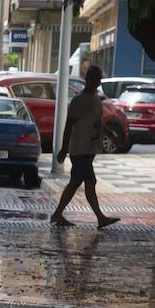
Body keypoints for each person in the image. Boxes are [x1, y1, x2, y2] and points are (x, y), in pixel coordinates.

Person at [50, 66, 120, 228]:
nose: (98, 81)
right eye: (95, 78)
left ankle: (58, 213)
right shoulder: (79, 101)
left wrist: (108, 133)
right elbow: (69, 125)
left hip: (89, 148)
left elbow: (97, 120)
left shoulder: (95, 98)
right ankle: (100, 217)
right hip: (79, 149)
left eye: (99, 78)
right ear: (89, 79)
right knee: (89, 180)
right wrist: (64, 148)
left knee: (76, 182)